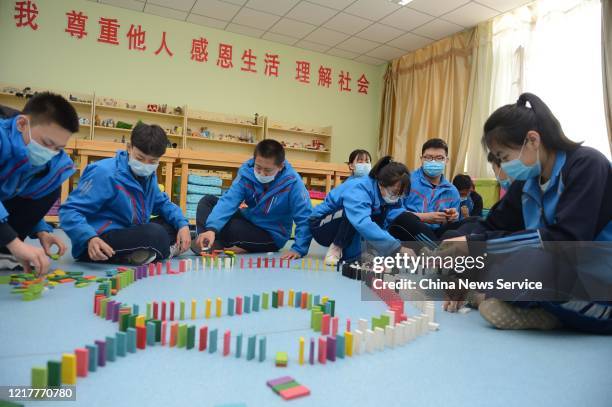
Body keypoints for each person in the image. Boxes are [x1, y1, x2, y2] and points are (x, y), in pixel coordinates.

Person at [443, 92, 612, 333]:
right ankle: (543, 312)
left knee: (532, 263)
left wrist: (476, 244)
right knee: (497, 256)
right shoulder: (528, 183)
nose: (505, 166)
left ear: (532, 140)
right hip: (562, 277)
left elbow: (566, 241)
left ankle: (556, 313)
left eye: (504, 157)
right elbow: (489, 227)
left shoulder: (587, 165)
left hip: (599, 285)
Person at [60, 123, 191, 265]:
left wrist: (183, 225)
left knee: (171, 226)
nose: (146, 166)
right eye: (140, 158)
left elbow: (163, 204)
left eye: (153, 161)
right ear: (129, 148)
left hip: (128, 233)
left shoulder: (149, 177)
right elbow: (69, 211)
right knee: (156, 234)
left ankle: (139, 253)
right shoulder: (104, 172)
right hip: (96, 242)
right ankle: (163, 251)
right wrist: (89, 237)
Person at [0, 92, 79, 275]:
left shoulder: (50, 163)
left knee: (51, 183)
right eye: (46, 142)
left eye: (58, 148)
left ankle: (3, 251)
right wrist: (15, 243)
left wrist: (42, 231)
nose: (50, 152)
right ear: (21, 124)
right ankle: (8, 245)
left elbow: (24, 195)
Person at [193, 139, 312, 260]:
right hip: (249, 221)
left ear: (281, 166)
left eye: (268, 170)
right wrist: (211, 229)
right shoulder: (246, 174)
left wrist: (299, 249)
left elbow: (304, 217)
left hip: (270, 235)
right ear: (254, 160)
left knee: (233, 228)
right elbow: (229, 201)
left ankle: (220, 242)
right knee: (207, 201)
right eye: (258, 167)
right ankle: (205, 240)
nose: (261, 173)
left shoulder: (293, 183)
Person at [311, 156, 412, 263]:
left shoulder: (385, 196)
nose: (396, 197)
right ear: (381, 183)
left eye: (400, 194)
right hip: (321, 225)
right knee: (353, 213)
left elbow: (382, 226)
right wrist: (396, 247)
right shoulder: (359, 188)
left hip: (347, 223)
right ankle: (337, 247)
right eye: (394, 193)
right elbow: (362, 223)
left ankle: (358, 252)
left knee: (378, 215)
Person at [321, 149, 373, 265]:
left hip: (362, 227)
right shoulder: (346, 186)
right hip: (342, 226)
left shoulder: (373, 185)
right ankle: (336, 247)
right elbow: (327, 204)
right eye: (360, 161)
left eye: (367, 161)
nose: (364, 164)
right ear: (351, 166)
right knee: (353, 209)